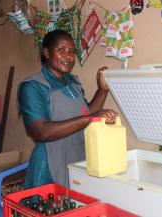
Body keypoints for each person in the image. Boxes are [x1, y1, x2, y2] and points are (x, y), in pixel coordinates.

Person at [17, 29, 117, 189]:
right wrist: (90, 118)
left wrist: (102, 90)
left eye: (72, 51)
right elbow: (41, 131)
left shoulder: (73, 83)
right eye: (61, 49)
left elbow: (86, 113)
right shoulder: (33, 86)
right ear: (47, 53)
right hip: (50, 165)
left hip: (77, 159)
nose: (69, 56)